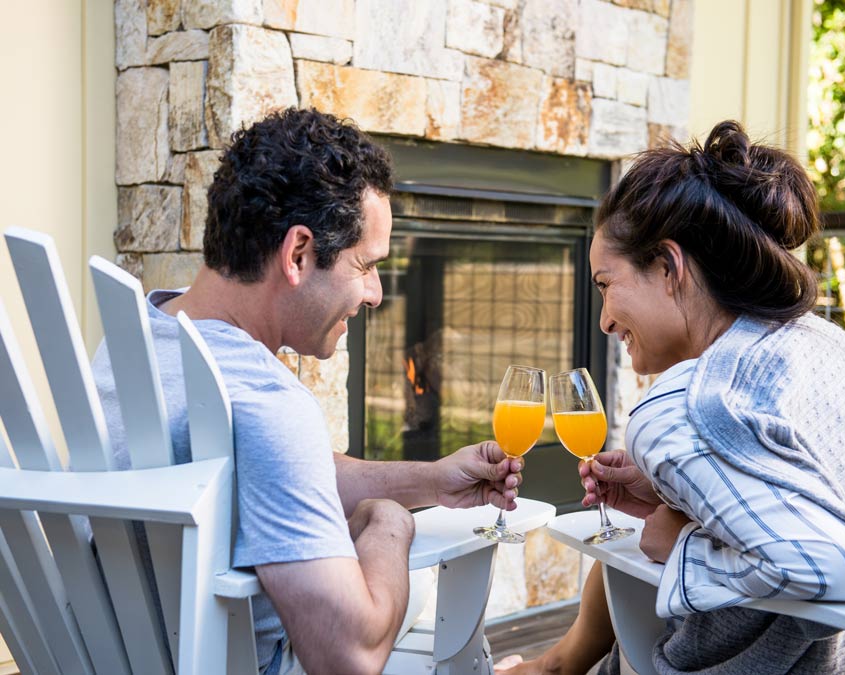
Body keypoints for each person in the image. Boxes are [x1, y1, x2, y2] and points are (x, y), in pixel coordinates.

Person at [92, 108, 522, 675]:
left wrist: (429, 480)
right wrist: (390, 520)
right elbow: (352, 655)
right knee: (423, 607)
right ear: (298, 254)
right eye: (366, 265)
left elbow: (273, 469)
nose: (375, 293)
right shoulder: (266, 403)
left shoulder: (135, 344)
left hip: (121, 655)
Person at [496, 120, 845, 675]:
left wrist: (678, 540)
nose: (606, 320)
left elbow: (824, 562)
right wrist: (679, 497)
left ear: (667, 266)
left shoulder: (681, 409)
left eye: (607, 285)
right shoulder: (832, 349)